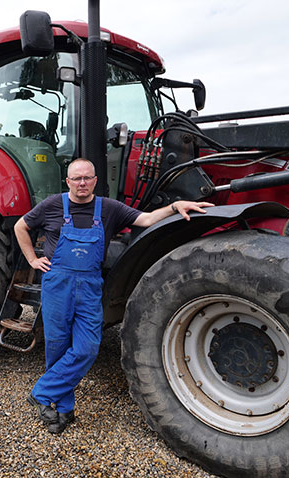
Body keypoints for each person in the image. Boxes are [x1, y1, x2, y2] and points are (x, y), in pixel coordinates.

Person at [15, 158, 214, 433]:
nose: (82, 183)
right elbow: (20, 227)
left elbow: (144, 219)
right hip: (57, 284)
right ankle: (62, 409)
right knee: (57, 347)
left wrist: (173, 207)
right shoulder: (51, 205)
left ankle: (41, 392)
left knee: (86, 348)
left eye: (87, 178)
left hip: (89, 286)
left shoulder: (108, 208)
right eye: (76, 179)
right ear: (68, 181)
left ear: (95, 180)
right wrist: (32, 259)